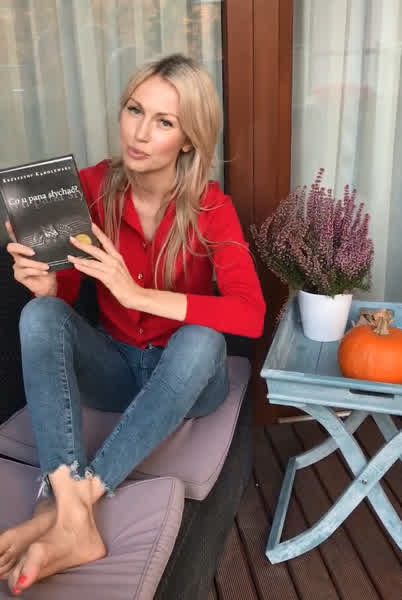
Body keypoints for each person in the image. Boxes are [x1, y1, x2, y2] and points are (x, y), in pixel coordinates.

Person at [1, 53, 265, 595]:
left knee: (201, 340)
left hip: (188, 382)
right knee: (38, 315)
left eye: (164, 122)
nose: (140, 134)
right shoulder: (89, 188)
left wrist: (139, 294)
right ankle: (70, 516)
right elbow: (64, 296)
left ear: (187, 140)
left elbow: (251, 314)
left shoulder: (211, 207)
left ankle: (67, 508)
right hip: (116, 369)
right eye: (134, 110)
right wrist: (47, 286)